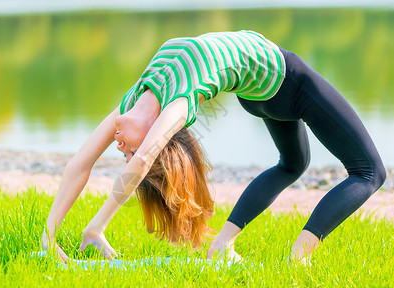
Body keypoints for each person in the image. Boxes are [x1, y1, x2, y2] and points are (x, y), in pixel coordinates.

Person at [41, 30, 386, 264]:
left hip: (263, 91)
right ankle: (300, 257)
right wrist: (51, 235)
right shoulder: (176, 102)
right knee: (370, 172)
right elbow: (88, 162)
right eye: (128, 157)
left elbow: (134, 159)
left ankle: (222, 244)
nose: (122, 153)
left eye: (127, 155)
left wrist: (95, 227)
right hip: (284, 80)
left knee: (293, 164)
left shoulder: (135, 100)